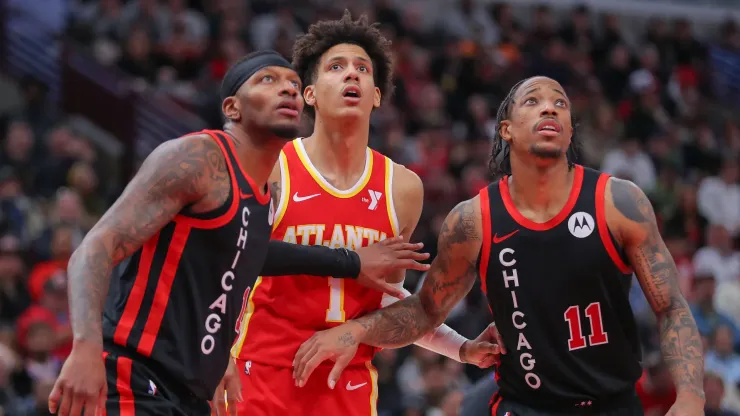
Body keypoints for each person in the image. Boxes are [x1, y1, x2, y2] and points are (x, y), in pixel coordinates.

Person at [293, 76, 707, 415]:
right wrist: (356, 331)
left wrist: (690, 395)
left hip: (612, 404)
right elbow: (424, 310)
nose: (550, 108)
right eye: (533, 101)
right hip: (524, 405)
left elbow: (670, 306)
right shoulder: (473, 220)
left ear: (569, 129)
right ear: (505, 129)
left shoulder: (618, 201)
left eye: (560, 104)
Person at [47, 51, 430, 416]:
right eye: (268, 80)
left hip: (189, 393)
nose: (288, 90)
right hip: (134, 376)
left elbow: (257, 257)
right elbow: (95, 247)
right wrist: (84, 347)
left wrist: (220, 355)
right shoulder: (199, 158)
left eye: (294, 86)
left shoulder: (263, 197)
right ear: (233, 108)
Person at [222, 12, 499, 416]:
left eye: (362, 69)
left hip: (348, 387)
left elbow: (390, 301)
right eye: (337, 67)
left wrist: (460, 347)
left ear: (376, 95)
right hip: (260, 378)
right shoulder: (275, 166)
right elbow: (227, 269)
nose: (352, 75)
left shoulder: (402, 189)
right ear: (310, 94)